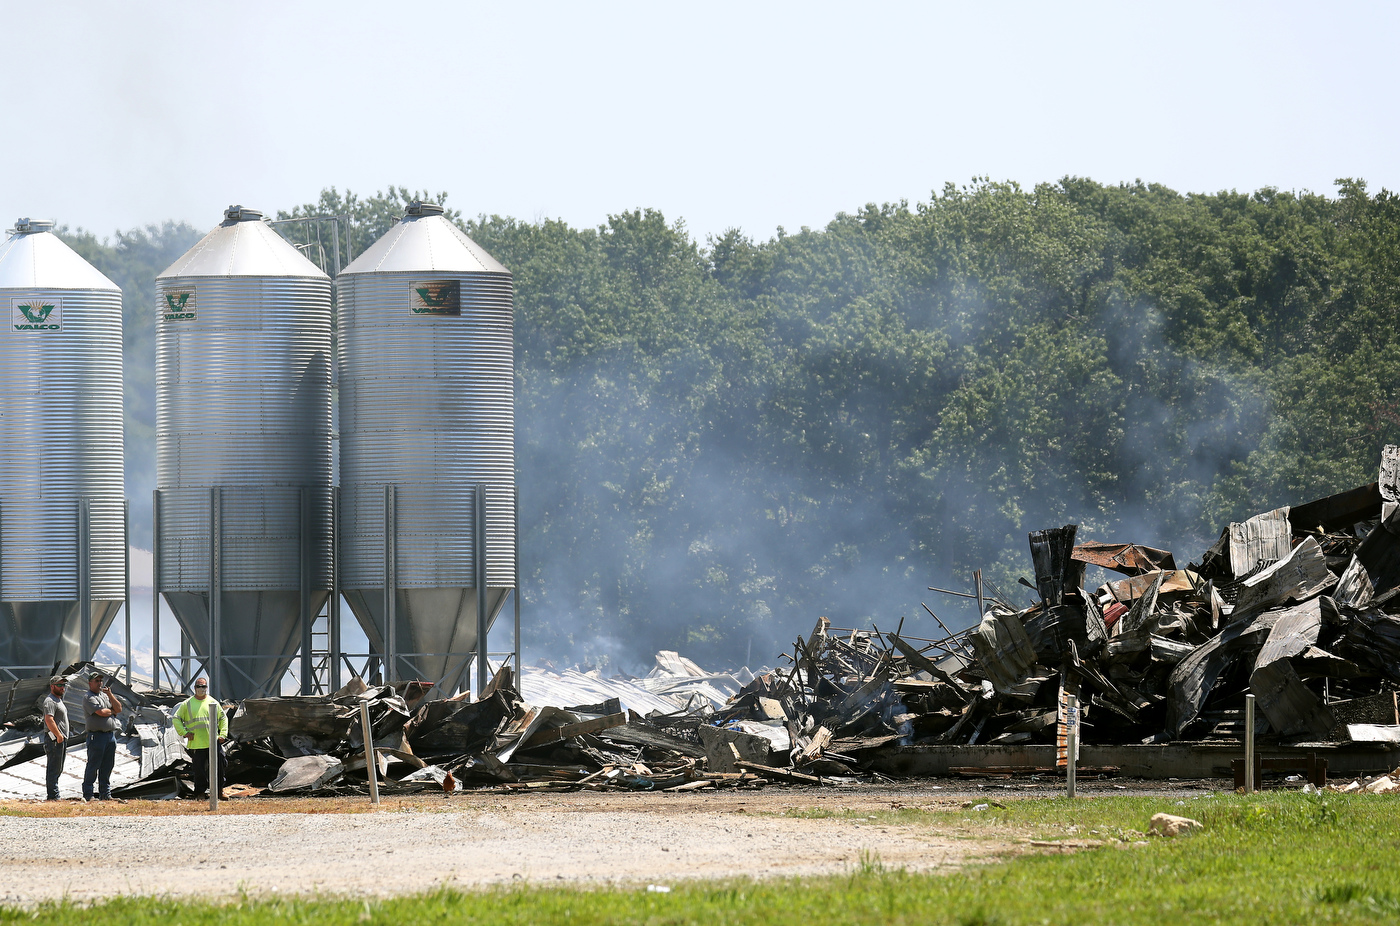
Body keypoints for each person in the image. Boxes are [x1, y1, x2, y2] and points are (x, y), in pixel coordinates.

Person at [171, 677, 228, 799]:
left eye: (203, 686)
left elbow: (223, 718)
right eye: (199, 686)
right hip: (197, 743)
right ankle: (200, 792)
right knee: (199, 770)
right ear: (194, 688)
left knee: (219, 767)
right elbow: (176, 718)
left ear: (207, 688)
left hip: (213, 742)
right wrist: (184, 732)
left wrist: (223, 734)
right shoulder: (187, 704)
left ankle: (219, 791)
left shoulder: (213, 702)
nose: (201, 689)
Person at [82, 671, 123, 801]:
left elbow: (119, 708)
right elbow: (101, 712)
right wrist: (112, 711)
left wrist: (110, 695)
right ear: (90, 683)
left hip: (110, 736)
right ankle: (88, 794)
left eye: (101, 681)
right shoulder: (89, 697)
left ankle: (105, 794)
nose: (100, 683)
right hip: (96, 736)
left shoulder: (105, 696)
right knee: (93, 765)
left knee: (107, 765)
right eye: (97, 681)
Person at [41, 676, 69, 801]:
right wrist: (58, 735)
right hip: (54, 739)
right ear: (52, 686)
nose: (62, 687)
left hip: (60, 739)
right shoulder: (50, 701)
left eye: (63, 685)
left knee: (58, 767)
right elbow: (49, 719)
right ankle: (53, 796)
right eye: (59, 685)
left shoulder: (58, 700)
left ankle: (54, 795)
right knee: (53, 767)